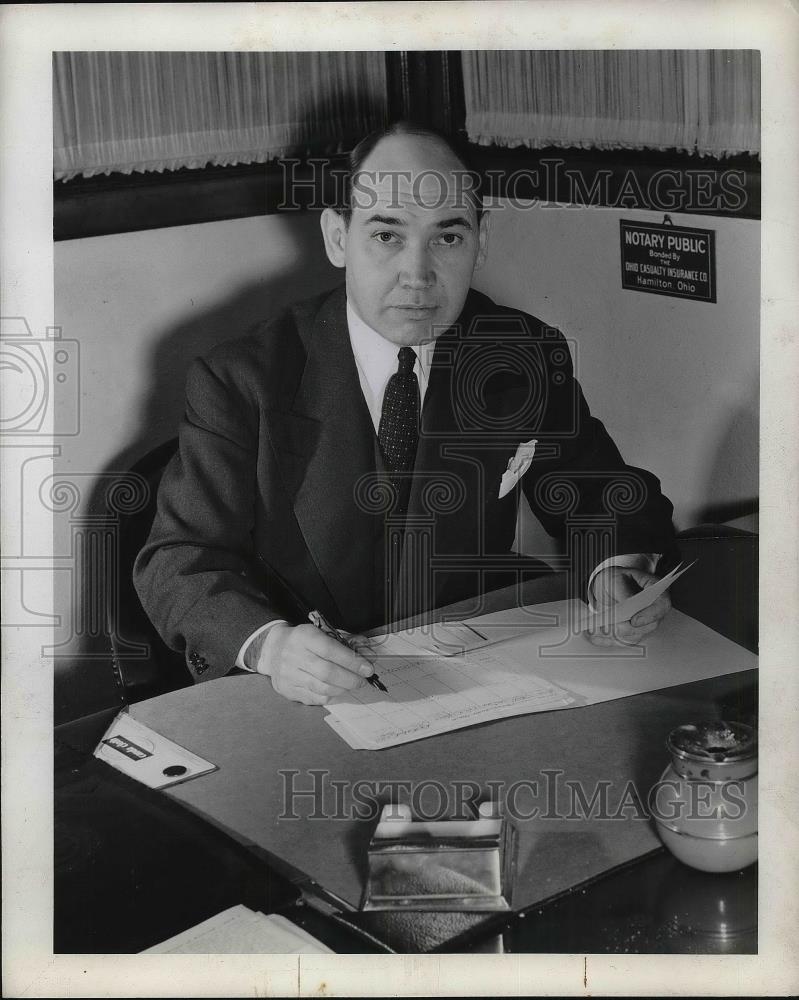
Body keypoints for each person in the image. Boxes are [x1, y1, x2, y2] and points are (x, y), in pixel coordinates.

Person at [134, 122, 677, 706]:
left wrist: (614, 569)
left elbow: (604, 492)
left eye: (447, 239)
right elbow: (178, 558)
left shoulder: (519, 353)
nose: (418, 277)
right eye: (387, 236)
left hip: (473, 671)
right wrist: (269, 646)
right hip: (301, 690)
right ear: (338, 238)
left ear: (481, 240)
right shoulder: (241, 378)